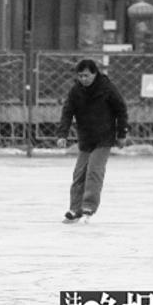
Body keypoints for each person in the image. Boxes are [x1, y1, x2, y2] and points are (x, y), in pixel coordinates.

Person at [57, 59, 128, 224]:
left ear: (95, 74)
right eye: (80, 76)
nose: (83, 79)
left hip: (104, 138)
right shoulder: (76, 91)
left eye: (87, 76)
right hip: (86, 138)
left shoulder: (107, 88)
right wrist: (62, 134)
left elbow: (121, 110)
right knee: (79, 174)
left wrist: (121, 133)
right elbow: (67, 112)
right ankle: (75, 209)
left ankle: (88, 206)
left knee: (94, 171)